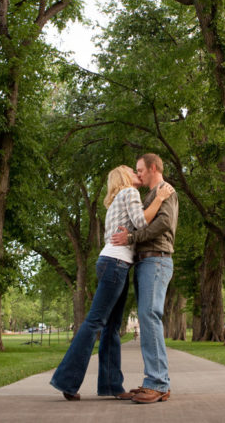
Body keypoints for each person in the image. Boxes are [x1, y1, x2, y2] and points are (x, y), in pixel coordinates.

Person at [50, 165, 174, 401]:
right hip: (115, 264)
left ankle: (111, 385)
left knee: (111, 326)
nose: (137, 173)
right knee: (96, 321)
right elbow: (141, 223)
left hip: (116, 264)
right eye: (132, 170)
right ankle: (66, 380)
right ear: (123, 177)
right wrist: (159, 198)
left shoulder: (119, 199)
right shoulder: (129, 193)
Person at [111, 153, 178, 404]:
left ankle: (158, 382)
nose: (138, 174)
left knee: (150, 316)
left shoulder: (165, 190)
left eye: (140, 170)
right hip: (145, 262)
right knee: (147, 317)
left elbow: (163, 224)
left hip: (156, 259)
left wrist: (131, 238)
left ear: (152, 168)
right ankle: (155, 381)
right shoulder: (150, 195)